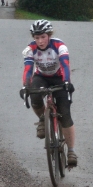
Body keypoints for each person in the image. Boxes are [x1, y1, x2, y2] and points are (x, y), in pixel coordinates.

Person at [20, 20, 77, 166]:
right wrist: (26, 85)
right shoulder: (30, 49)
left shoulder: (59, 46)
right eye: (36, 38)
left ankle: (71, 151)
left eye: (43, 37)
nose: (40, 41)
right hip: (41, 77)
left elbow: (65, 65)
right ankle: (42, 119)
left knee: (65, 113)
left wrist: (67, 82)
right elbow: (28, 69)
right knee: (35, 95)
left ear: (49, 35)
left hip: (59, 78)